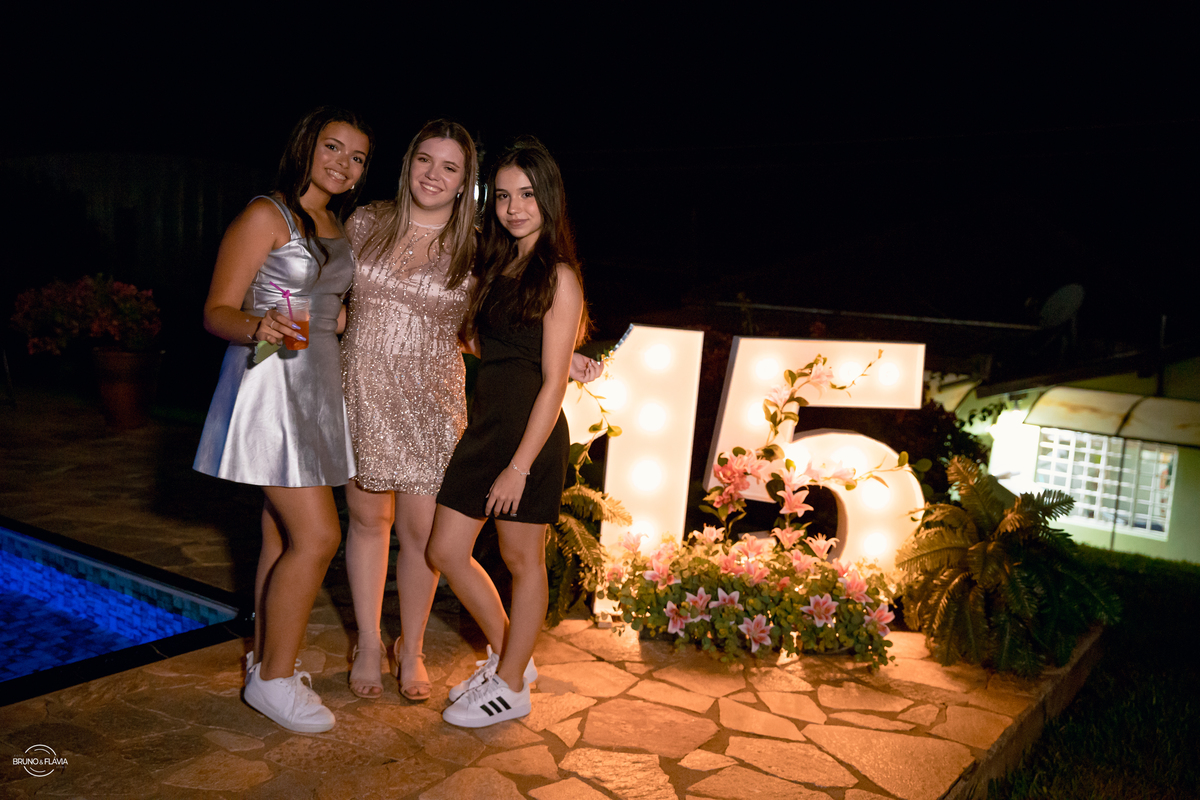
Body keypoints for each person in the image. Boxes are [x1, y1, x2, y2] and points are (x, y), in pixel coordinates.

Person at [339, 122, 601, 701]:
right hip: (364, 389)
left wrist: (561, 359)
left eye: (450, 166)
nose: (434, 174)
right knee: (368, 522)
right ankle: (368, 644)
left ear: (465, 183)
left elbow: (485, 332)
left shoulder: (476, 247)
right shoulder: (365, 224)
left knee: (425, 536)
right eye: (424, 160)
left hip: (435, 400)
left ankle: (417, 650)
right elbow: (342, 306)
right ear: (407, 163)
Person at [193, 107, 373, 732]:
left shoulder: (335, 224)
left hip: (317, 384)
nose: (343, 164)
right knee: (319, 536)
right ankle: (273, 680)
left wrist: (341, 320)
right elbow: (217, 310)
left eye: (357, 157)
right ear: (306, 145)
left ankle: (267, 663)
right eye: (333, 147)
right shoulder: (266, 214)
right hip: (271, 380)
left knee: (280, 534)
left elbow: (328, 307)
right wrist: (258, 324)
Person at [428, 137, 588, 727]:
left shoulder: (559, 276)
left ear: (548, 198)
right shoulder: (498, 266)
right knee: (445, 550)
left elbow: (552, 384)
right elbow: (487, 344)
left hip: (530, 437)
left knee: (523, 560)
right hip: (487, 427)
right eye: (502, 196)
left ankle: (512, 684)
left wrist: (519, 467)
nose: (514, 208)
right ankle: (511, 658)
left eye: (526, 194)